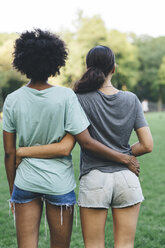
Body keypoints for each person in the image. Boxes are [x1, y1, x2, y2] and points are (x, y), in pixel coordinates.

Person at [3, 31, 139, 248]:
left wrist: (14, 190)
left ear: (22, 62)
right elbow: (68, 146)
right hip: (59, 184)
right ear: (55, 62)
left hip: (25, 181)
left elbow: (9, 152)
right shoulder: (66, 97)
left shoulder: (12, 100)